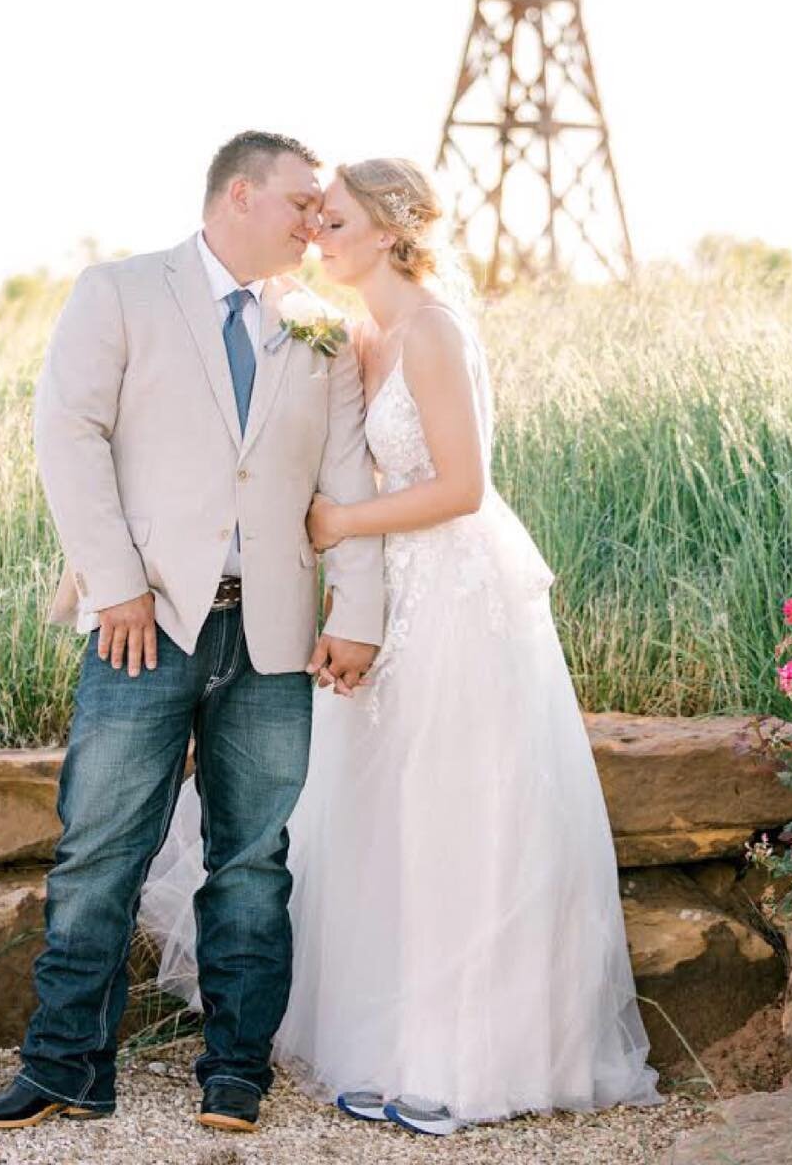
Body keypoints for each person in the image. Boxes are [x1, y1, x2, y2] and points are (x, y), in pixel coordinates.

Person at [138, 157, 662, 1136]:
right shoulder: (358, 334)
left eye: (333, 221)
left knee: (458, 818)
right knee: (388, 816)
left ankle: (463, 1062)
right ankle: (389, 1039)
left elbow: (463, 486)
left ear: (387, 229)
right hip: (391, 598)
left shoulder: (432, 331)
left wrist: (337, 524)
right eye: (315, 218)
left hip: (460, 595)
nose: (316, 235)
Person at [0, 132, 385, 1133]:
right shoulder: (120, 291)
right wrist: (113, 587)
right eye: (299, 202)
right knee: (100, 851)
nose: (314, 221)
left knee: (253, 859)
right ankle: (67, 1064)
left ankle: (236, 1072)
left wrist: (358, 615)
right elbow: (69, 433)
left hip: (274, 635)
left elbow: (348, 479)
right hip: (141, 624)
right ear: (238, 195)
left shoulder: (320, 331)